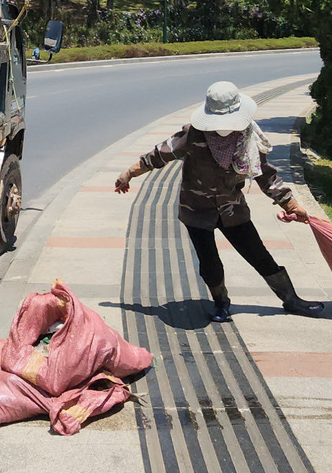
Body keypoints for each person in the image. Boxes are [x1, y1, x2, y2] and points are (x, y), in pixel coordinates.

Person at [115, 81, 321, 322]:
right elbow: (158, 155)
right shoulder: (191, 135)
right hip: (196, 210)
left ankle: (291, 299)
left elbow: (265, 174)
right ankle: (221, 303)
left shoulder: (248, 138)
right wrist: (129, 173)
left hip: (232, 209)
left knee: (258, 255)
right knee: (209, 262)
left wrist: (291, 204)